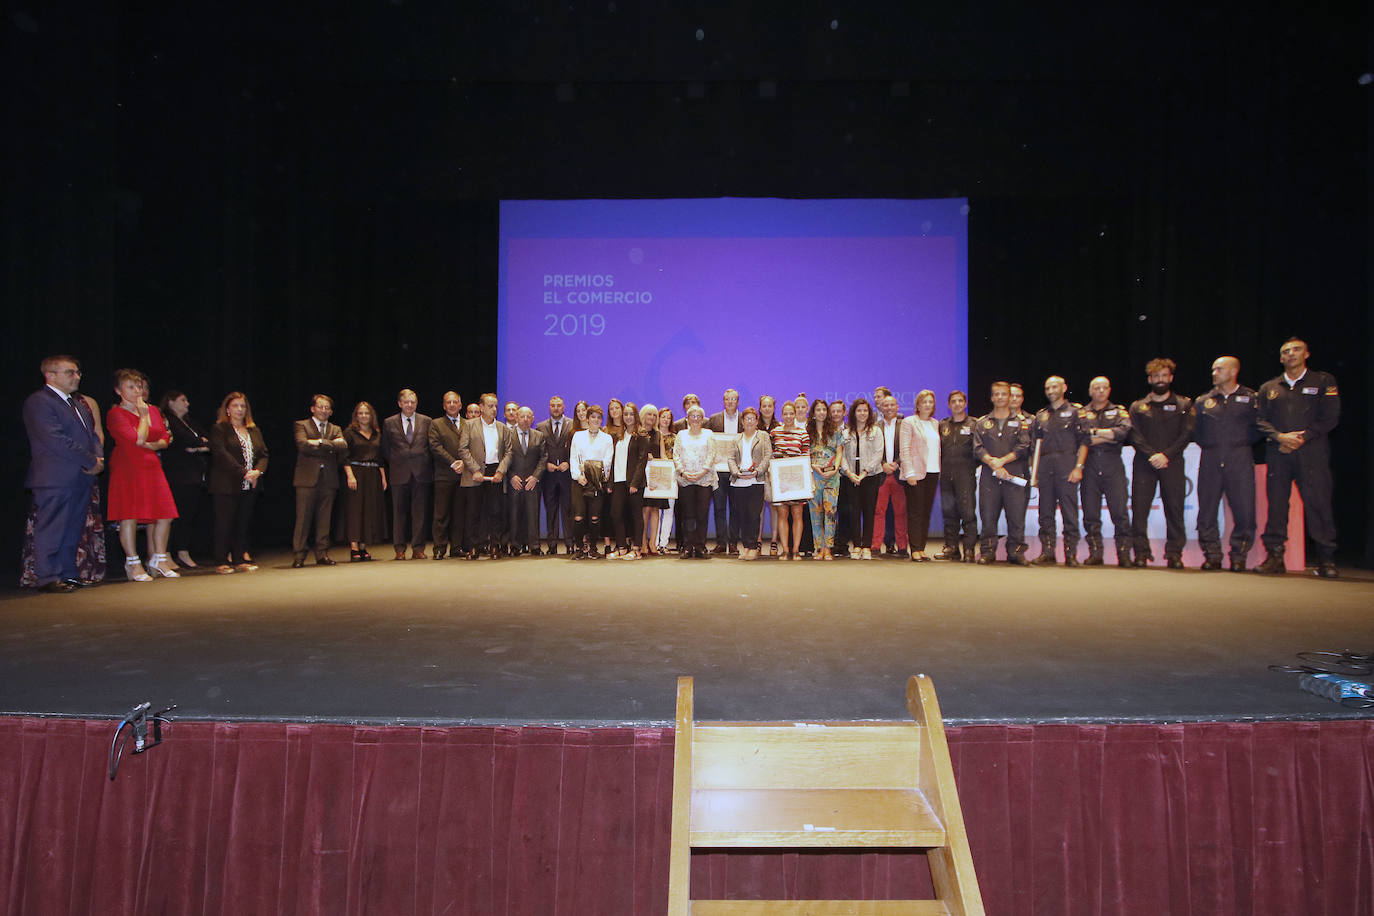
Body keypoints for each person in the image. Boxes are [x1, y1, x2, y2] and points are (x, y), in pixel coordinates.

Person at [1256, 337, 1341, 578]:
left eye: (1296, 350)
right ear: (1281, 358)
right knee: (1277, 506)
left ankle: (1326, 559)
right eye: (1286, 351)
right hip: (1279, 454)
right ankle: (1274, 556)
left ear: (1306, 354)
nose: (1291, 354)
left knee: (1319, 505)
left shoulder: (1323, 381)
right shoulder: (1269, 387)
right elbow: (1260, 420)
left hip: (1312, 454)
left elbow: (1330, 417)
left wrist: (1302, 437)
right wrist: (1280, 437)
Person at [21, 355, 105, 592]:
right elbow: (55, 440)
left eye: (78, 372)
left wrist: (97, 458)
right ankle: (48, 576)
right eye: (70, 372)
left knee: (72, 525)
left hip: (81, 475)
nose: (76, 377)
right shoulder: (39, 402)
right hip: (56, 476)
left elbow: (93, 436)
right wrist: (90, 460)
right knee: (52, 526)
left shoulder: (77, 403)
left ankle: (68, 573)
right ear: (50, 375)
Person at [106, 369, 180, 581]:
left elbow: (165, 438)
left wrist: (153, 443)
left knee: (165, 513)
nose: (137, 390)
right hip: (128, 466)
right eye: (131, 386)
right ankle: (133, 563)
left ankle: (158, 558)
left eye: (139, 386)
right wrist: (144, 417)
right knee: (129, 514)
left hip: (152, 466)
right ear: (118, 390)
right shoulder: (116, 414)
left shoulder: (153, 410)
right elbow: (136, 439)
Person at [1128, 359, 1195, 568]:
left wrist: (1166, 455)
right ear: (1150, 379)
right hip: (1144, 464)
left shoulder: (1184, 404)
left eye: (1164, 376)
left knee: (1174, 509)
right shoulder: (1138, 406)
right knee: (1139, 511)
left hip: (1172, 464)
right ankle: (1141, 553)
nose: (1160, 380)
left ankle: (1174, 553)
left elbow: (1187, 433)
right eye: (1156, 376)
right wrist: (1151, 455)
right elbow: (1134, 436)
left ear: (1171, 378)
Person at [1194, 357, 1259, 571]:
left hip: (1239, 457)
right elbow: (1197, 431)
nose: (1214, 373)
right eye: (1213, 369)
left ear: (1233, 372)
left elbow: (1259, 428)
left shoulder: (1251, 398)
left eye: (1219, 369)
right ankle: (1212, 554)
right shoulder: (1203, 400)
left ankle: (1239, 554)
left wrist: (1237, 445)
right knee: (1207, 509)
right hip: (1211, 457)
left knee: (1244, 508)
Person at [1030, 376, 1090, 566]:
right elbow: (1035, 446)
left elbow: (1085, 442)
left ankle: (1070, 554)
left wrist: (1078, 467)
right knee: (1045, 513)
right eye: (1047, 387)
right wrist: (1035, 471)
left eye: (1054, 386)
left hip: (1067, 465)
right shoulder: (1041, 415)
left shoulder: (1075, 412)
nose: (1051, 390)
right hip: (1046, 467)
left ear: (1064, 388)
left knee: (1069, 513)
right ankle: (1047, 552)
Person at [207, 391, 269, 574]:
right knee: (225, 523)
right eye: (235, 406)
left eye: (243, 406)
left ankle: (239, 558)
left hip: (251, 484)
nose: (239, 409)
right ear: (227, 409)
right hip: (226, 483)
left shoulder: (253, 430)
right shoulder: (220, 429)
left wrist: (258, 472)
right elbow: (221, 454)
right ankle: (221, 560)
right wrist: (244, 473)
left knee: (243, 523)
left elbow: (264, 454)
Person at [974, 381, 1031, 564]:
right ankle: (987, 552)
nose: (1000, 397)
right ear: (992, 397)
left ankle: (1015, 553)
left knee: (1016, 517)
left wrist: (1002, 461)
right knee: (988, 516)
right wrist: (993, 463)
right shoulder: (982, 423)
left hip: (1013, 476)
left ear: (1009, 397)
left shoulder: (1020, 423)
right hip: (989, 477)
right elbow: (977, 448)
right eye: (996, 394)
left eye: (1003, 394)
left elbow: (1024, 446)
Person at [1080, 377, 1133, 566]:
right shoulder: (1082, 413)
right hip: (1089, 465)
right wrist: (1108, 434)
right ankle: (1095, 553)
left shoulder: (1119, 411)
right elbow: (1082, 437)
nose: (1101, 391)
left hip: (1113, 465)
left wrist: (1095, 433)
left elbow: (1123, 432)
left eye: (1104, 388)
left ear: (1109, 390)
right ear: (1090, 391)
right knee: (1090, 513)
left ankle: (1124, 554)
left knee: (1120, 511)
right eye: (1096, 388)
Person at [291, 394, 347, 568]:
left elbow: (343, 446)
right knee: (303, 519)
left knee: (325, 519)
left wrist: (319, 442)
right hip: (306, 479)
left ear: (330, 412)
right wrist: (329, 444)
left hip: (328, 480)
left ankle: (322, 553)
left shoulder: (335, 428)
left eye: (327, 408)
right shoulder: (302, 425)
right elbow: (302, 445)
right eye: (320, 407)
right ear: (312, 409)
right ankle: (299, 555)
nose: (323, 410)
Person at [459, 393, 512, 560]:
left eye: (496, 406)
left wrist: (500, 471)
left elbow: (509, 452)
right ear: (481, 407)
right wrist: (475, 469)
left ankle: (494, 547)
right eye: (490, 406)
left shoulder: (502, 428)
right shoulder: (469, 425)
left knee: (496, 511)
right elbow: (463, 449)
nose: (494, 409)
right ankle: (474, 547)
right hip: (475, 473)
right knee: (474, 512)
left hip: (495, 471)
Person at [381, 389, 433, 560]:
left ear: (416, 403)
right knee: (399, 513)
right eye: (406, 402)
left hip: (421, 473)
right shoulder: (389, 423)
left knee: (419, 514)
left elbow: (430, 447)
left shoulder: (427, 421)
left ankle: (418, 548)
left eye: (413, 402)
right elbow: (386, 449)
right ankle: (399, 549)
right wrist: (399, 461)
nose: (410, 405)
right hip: (399, 473)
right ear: (400, 404)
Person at [160, 390, 209, 568]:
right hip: (176, 474)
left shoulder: (189, 422)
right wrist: (198, 444)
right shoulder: (169, 421)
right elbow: (182, 440)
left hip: (194, 474)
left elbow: (206, 440)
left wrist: (198, 447)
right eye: (183, 400)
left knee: (188, 514)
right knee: (174, 514)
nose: (187, 404)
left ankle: (183, 550)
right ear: (171, 402)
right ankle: (166, 552)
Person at [341, 401, 388, 562]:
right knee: (355, 510)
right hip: (356, 473)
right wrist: (350, 475)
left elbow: (380, 458)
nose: (363, 416)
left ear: (371, 416)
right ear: (356, 416)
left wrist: (383, 477)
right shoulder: (349, 432)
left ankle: (363, 546)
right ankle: (354, 547)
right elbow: (344, 456)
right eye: (360, 413)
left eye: (366, 413)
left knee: (369, 511)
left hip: (373, 474)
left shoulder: (377, 433)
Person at [935, 391, 978, 562]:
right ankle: (951, 548)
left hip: (965, 475)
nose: (957, 404)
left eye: (960, 401)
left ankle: (969, 549)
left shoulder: (974, 424)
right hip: (946, 476)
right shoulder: (943, 425)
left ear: (965, 403)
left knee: (967, 513)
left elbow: (980, 451)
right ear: (949, 405)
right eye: (954, 401)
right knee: (949, 514)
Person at [900, 390, 942, 561]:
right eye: (924, 401)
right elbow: (905, 449)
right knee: (915, 512)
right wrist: (909, 472)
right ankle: (915, 549)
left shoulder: (935, 423)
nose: (927, 404)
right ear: (917, 404)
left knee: (926, 511)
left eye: (930, 402)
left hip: (933, 472)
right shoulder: (909, 422)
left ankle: (922, 548)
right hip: (915, 473)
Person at [726, 407, 772, 560]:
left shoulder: (763, 436)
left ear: (757, 421)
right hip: (738, 481)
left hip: (756, 481)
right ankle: (745, 546)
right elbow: (731, 458)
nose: (750, 421)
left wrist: (758, 471)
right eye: (747, 419)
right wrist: (735, 472)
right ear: (742, 422)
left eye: (753, 418)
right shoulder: (736, 438)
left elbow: (767, 456)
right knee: (742, 515)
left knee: (753, 515)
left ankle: (753, 546)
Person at [570, 404, 615, 559]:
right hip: (579, 481)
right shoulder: (578, 436)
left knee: (595, 517)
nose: (595, 420)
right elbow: (573, 458)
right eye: (593, 417)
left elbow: (607, 462)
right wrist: (578, 476)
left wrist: (596, 475)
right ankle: (580, 547)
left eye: (598, 418)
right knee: (579, 516)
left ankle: (594, 547)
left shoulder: (607, 438)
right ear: (587, 419)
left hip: (596, 483)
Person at [840, 397, 882, 560]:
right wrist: (849, 473)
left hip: (870, 477)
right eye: (859, 410)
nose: (862, 413)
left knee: (869, 511)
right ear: (853, 413)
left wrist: (864, 473)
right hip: (851, 478)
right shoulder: (846, 432)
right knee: (854, 512)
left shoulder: (876, 431)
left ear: (869, 413)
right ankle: (856, 545)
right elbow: (841, 455)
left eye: (865, 410)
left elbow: (878, 454)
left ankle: (866, 546)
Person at [673, 405, 717, 559]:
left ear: (703, 419)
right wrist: (683, 472)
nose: (696, 419)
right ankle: (687, 546)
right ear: (688, 418)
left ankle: (700, 546)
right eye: (693, 416)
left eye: (699, 416)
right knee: (688, 515)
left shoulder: (709, 434)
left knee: (702, 514)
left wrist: (702, 472)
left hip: (704, 479)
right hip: (686, 480)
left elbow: (712, 454)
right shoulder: (681, 434)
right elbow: (676, 455)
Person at [428, 391, 468, 559]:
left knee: (460, 514)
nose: (452, 405)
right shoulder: (436, 424)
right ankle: (439, 547)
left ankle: (456, 547)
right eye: (448, 402)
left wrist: (465, 463)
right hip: (444, 475)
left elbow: (475, 446)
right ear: (444, 405)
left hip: (464, 475)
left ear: (460, 405)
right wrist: (453, 462)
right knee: (441, 514)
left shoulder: (469, 424)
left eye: (455, 402)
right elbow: (435, 447)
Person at [769, 401, 811, 561]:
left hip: (798, 479)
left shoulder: (803, 433)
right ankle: (785, 550)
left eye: (791, 413)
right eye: (785, 413)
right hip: (780, 481)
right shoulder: (774, 433)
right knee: (782, 513)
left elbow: (806, 456)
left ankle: (796, 550)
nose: (788, 416)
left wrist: (808, 481)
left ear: (795, 415)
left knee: (798, 513)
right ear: (782, 415)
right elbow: (771, 456)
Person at [609, 402, 649, 559]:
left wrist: (635, 483)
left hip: (634, 483)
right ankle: (622, 547)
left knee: (636, 515)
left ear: (636, 416)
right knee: (615, 513)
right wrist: (611, 482)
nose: (628, 417)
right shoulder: (619, 435)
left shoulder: (641, 435)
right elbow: (614, 460)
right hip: (618, 481)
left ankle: (637, 548)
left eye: (631, 414)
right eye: (625, 414)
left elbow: (642, 461)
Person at [536, 397, 575, 556]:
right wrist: (545, 465)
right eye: (553, 406)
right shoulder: (540, 426)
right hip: (549, 476)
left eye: (559, 405)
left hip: (566, 475)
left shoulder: (573, 425)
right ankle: (551, 544)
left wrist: (569, 463)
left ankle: (570, 543)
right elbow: (538, 452)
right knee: (551, 511)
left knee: (568, 512)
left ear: (564, 407)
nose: (556, 408)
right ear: (549, 408)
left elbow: (577, 449)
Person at [706, 389, 743, 554]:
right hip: (719, 472)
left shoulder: (745, 420)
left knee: (736, 508)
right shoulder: (713, 420)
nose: (730, 402)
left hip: (738, 471)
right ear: (723, 401)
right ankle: (721, 543)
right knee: (719, 508)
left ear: (737, 401)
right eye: (727, 399)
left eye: (733, 399)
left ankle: (733, 543)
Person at [872, 394, 908, 557]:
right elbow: (872, 450)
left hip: (899, 473)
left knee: (900, 512)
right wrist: (882, 464)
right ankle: (875, 546)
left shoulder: (905, 425)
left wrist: (897, 463)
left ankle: (901, 547)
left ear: (897, 407)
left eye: (892, 405)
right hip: (881, 474)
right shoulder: (875, 426)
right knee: (879, 512)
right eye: (885, 405)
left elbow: (909, 447)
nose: (889, 408)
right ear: (881, 407)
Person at [506, 406, 545, 555]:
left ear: (532, 419)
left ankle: (534, 547)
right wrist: (510, 475)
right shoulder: (508, 435)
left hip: (532, 482)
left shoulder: (538, 436)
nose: (525, 419)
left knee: (533, 515)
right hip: (514, 481)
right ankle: (515, 547)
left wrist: (535, 476)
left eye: (528, 416)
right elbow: (503, 457)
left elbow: (543, 458)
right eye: (522, 416)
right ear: (516, 418)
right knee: (514, 515)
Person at [806, 398, 842, 560]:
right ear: (813, 413)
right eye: (818, 410)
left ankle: (828, 548)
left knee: (830, 513)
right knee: (815, 514)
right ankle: (818, 548)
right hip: (814, 477)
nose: (821, 412)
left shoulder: (835, 431)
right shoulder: (807, 432)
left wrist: (835, 468)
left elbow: (839, 452)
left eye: (823, 410)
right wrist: (813, 466)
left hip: (832, 477)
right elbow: (804, 454)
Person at [645, 406, 675, 554]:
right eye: (663, 416)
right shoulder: (641, 432)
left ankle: (658, 543)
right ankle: (647, 542)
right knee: (645, 511)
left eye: (668, 417)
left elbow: (663, 456)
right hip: (645, 477)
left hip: (663, 475)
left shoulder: (661, 436)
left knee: (661, 510)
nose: (665, 420)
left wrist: (667, 464)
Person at [757, 395, 780, 554]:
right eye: (764, 406)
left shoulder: (779, 427)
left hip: (774, 473)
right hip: (757, 472)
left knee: (774, 507)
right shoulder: (753, 426)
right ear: (760, 408)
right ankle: (757, 540)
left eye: (769, 406)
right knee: (758, 508)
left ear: (773, 408)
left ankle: (773, 540)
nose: (767, 409)